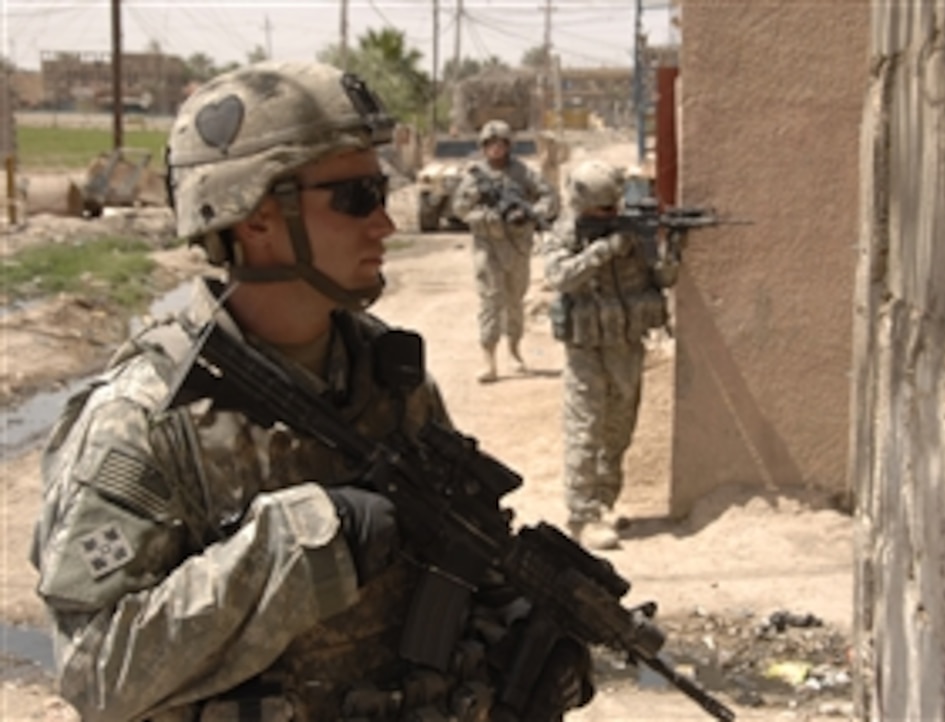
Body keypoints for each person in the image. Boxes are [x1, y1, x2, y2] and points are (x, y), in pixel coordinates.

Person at [29, 60, 590, 722]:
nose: (384, 221)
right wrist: (290, 548)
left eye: (381, 191)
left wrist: (518, 638)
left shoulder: (392, 379)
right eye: (357, 197)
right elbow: (96, 675)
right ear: (256, 216)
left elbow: (445, 573)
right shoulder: (148, 418)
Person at [542, 160, 680, 551]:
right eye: (603, 210)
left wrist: (669, 249)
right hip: (586, 346)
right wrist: (603, 250)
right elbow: (558, 277)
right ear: (583, 205)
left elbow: (664, 279)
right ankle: (582, 516)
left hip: (626, 342)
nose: (611, 215)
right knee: (585, 428)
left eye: (614, 207)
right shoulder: (566, 232)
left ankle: (603, 502)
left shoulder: (632, 231)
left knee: (619, 428)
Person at [452, 119, 557, 383]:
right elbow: (460, 209)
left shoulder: (522, 173)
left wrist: (532, 213)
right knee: (491, 300)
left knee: (515, 300)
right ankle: (489, 360)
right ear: (484, 147)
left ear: (508, 146)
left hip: (519, 245)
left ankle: (514, 350)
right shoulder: (475, 176)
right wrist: (486, 217)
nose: (496, 149)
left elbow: (549, 196)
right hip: (488, 246)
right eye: (491, 144)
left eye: (501, 144)